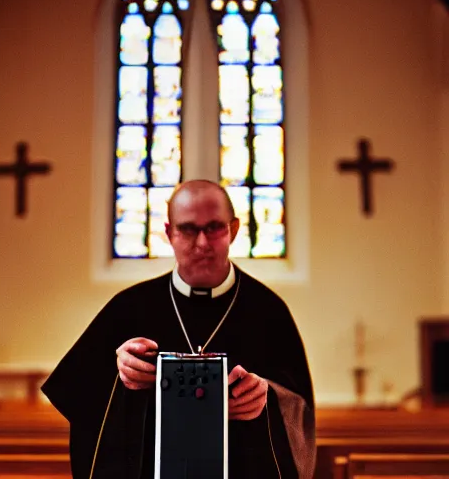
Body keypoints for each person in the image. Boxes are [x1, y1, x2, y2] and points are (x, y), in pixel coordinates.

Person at [41, 179, 316, 479]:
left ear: (233, 230)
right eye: (187, 229)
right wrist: (118, 372)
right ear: (169, 233)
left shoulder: (269, 311)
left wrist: (266, 396)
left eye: (214, 227)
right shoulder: (127, 308)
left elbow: (299, 407)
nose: (201, 243)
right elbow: (78, 393)